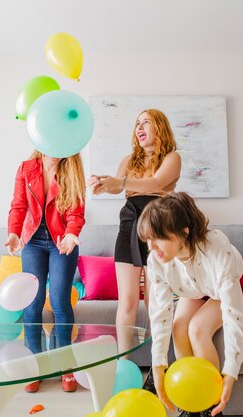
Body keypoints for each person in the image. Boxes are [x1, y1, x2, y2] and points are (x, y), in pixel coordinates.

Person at [137, 192, 243, 417]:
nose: (151, 247)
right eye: (148, 239)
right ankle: (191, 402)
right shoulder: (157, 260)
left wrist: (231, 371)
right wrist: (158, 364)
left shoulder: (215, 248)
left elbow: (234, 314)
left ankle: (210, 405)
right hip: (194, 287)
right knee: (179, 327)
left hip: (232, 283)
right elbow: (161, 313)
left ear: (184, 231)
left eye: (158, 237)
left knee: (197, 329)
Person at [88, 109, 180, 386]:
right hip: (129, 225)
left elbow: (155, 183)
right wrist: (105, 185)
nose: (139, 127)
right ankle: (122, 366)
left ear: (159, 127)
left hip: (159, 227)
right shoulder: (129, 160)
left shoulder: (172, 158)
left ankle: (158, 367)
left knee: (156, 303)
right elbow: (118, 188)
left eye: (145, 122)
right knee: (127, 300)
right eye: (136, 123)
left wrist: (121, 182)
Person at [5, 150, 86, 393]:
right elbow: (18, 206)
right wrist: (13, 233)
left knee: (60, 302)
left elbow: (76, 212)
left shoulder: (72, 170)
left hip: (63, 241)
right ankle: (34, 368)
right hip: (33, 242)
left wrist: (72, 234)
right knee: (32, 303)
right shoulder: (26, 168)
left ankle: (65, 367)